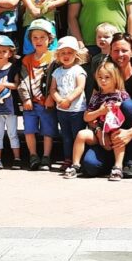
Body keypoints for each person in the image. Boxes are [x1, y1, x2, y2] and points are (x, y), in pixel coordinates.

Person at [79, 33, 132, 178]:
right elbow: (91, 110)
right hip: (108, 136)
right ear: (110, 52)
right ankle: (116, 163)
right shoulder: (103, 78)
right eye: (116, 51)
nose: (120, 54)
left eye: (124, 50)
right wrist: (98, 130)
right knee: (90, 167)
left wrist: (130, 133)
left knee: (126, 105)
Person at [64, 61, 130, 181]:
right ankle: (75, 165)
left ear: (115, 78)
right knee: (82, 134)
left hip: (114, 131)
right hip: (98, 132)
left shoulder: (122, 95)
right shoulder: (97, 96)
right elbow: (86, 117)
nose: (103, 80)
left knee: (118, 136)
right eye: (100, 77)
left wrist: (118, 106)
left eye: (107, 77)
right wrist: (100, 112)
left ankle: (118, 167)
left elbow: (128, 112)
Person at [19, 18, 58, 171]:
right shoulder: (26, 60)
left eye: (42, 37)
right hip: (31, 103)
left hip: (47, 103)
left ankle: (46, 157)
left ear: (50, 39)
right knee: (29, 129)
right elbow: (22, 81)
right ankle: (33, 155)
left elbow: (56, 80)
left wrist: (51, 97)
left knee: (48, 130)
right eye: (35, 37)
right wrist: (26, 99)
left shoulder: (54, 58)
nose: (38, 40)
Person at [48, 35, 88, 170]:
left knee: (77, 135)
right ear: (58, 55)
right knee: (65, 136)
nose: (66, 56)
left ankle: (79, 159)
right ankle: (67, 159)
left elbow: (80, 87)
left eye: (70, 52)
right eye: (63, 53)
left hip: (76, 110)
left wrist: (68, 100)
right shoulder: (57, 72)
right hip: (62, 110)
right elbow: (52, 89)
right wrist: (59, 100)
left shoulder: (79, 70)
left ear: (76, 54)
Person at [0, 34, 21, 171]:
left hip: (10, 107)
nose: (0, 54)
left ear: (10, 53)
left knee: (13, 133)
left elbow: (17, 85)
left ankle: (17, 159)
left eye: (4, 51)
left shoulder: (13, 68)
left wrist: (5, 85)